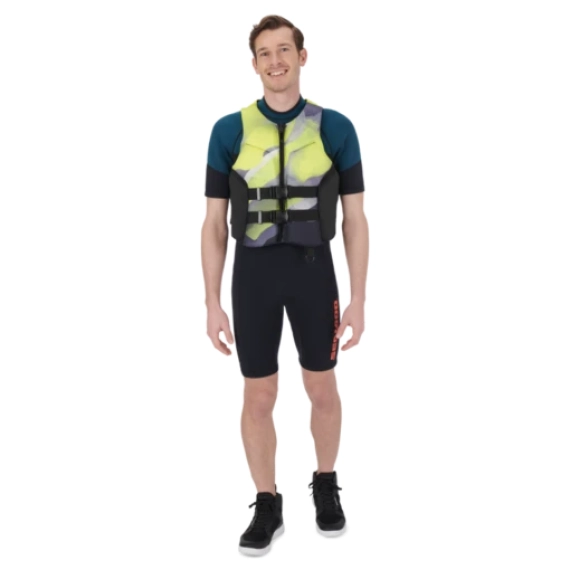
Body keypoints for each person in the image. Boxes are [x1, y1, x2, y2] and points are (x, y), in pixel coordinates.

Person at [200, 14, 369, 556]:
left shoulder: (335, 128)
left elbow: (355, 219)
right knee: (259, 393)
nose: (275, 61)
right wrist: (211, 302)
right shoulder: (228, 131)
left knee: (322, 387)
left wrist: (359, 298)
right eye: (264, 53)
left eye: (284, 50)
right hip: (253, 276)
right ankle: (267, 501)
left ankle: (325, 483)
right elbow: (212, 223)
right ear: (254, 64)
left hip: (314, 272)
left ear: (302, 56)